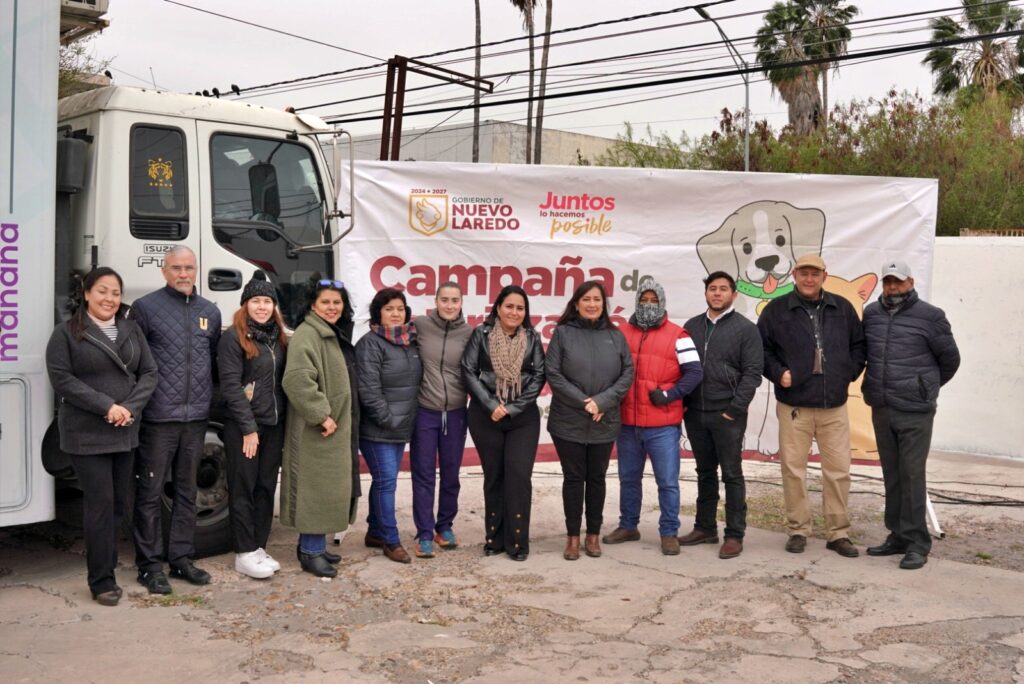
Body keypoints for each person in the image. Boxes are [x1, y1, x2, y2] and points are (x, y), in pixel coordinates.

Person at [45, 268, 158, 606]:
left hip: (124, 429)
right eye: (102, 291)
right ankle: (101, 581)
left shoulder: (131, 328)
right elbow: (62, 379)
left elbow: (149, 372)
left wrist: (129, 408)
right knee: (100, 506)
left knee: (118, 507)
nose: (109, 299)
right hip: (87, 434)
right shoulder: (66, 333)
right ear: (87, 293)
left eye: (115, 293)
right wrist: (107, 406)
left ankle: (107, 565)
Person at [757, 254, 866, 557]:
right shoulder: (776, 310)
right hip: (795, 407)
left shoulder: (841, 309)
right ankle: (798, 529)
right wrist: (779, 373)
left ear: (824, 276)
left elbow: (859, 345)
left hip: (834, 406)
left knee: (838, 471)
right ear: (794, 275)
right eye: (803, 273)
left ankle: (838, 533)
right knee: (794, 470)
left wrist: (848, 372)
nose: (809, 279)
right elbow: (761, 348)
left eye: (814, 274)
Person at [130, 246, 220, 594]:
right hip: (157, 419)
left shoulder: (209, 313)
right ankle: (150, 566)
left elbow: (212, 362)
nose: (184, 274)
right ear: (164, 271)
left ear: (196, 270)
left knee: (187, 492)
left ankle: (181, 559)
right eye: (176, 268)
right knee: (150, 493)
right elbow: (134, 362)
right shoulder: (146, 309)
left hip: (195, 419)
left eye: (189, 268)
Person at [862, 260, 960, 570]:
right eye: (888, 282)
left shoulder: (931, 317)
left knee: (912, 475)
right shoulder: (872, 314)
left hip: (915, 411)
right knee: (891, 474)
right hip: (882, 406)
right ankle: (898, 535)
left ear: (911, 282)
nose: (892, 288)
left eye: (898, 282)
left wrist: (924, 388)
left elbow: (950, 361)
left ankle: (918, 542)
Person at [603, 277, 703, 555]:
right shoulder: (621, 332)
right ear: (637, 302)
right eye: (644, 300)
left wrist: (670, 395)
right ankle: (628, 525)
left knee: (667, 482)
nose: (648, 305)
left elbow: (695, 372)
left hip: (662, 426)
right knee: (628, 478)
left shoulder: (679, 335)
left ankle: (669, 531)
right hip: (626, 424)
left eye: (653, 300)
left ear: (662, 302)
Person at [546, 281, 634, 561]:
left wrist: (604, 402)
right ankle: (573, 537)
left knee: (596, 479)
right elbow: (554, 374)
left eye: (597, 299)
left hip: (604, 422)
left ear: (603, 304)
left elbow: (627, 374)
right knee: (573, 479)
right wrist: (587, 403)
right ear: (576, 303)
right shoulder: (562, 334)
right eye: (586, 299)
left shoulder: (615, 336)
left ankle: (593, 535)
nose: (592, 304)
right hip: (568, 422)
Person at [681, 272, 763, 559]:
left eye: (723, 289)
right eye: (712, 289)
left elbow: (753, 373)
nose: (717, 293)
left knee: (731, 474)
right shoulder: (691, 326)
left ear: (733, 294)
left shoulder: (746, 329)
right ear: (706, 293)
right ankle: (704, 527)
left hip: (727, 414)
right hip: (695, 413)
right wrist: (682, 403)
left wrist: (734, 409)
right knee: (704, 472)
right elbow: (679, 368)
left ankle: (734, 534)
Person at [461, 285, 545, 561]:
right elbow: (469, 371)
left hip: (523, 419)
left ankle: (518, 542)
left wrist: (510, 408)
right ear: (498, 308)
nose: (514, 312)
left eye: (520, 308)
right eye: (509, 306)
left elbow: (538, 377)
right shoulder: (480, 335)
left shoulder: (532, 338)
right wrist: (490, 405)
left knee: (519, 478)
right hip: (485, 417)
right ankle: (494, 539)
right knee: (494, 477)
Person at [281, 279, 355, 578]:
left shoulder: (325, 332)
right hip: (318, 428)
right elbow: (297, 380)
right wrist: (321, 414)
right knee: (316, 488)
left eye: (337, 302)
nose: (333, 307)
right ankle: (311, 553)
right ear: (313, 305)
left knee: (326, 489)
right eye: (326, 302)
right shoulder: (307, 335)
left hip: (329, 428)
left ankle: (313, 546)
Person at [218, 272, 288, 579]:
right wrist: (248, 429)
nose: (262, 307)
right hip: (246, 427)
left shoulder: (279, 337)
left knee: (265, 486)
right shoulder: (233, 337)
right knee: (243, 487)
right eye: (256, 301)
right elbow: (231, 386)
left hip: (273, 425)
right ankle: (243, 551)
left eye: (268, 301)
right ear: (245, 304)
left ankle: (258, 547)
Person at [356, 287, 423, 564]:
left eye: (399, 308)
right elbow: (368, 391)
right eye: (388, 309)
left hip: (399, 428)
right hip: (379, 429)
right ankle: (391, 541)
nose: (395, 314)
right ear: (378, 313)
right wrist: (390, 421)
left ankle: (374, 532)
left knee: (384, 481)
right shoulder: (370, 344)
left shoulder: (410, 341)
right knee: (387, 483)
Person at [409, 283, 472, 558]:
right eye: (444, 300)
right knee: (423, 475)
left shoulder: (469, 333)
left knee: (451, 474)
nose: (449, 305)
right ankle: (423, 533)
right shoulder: (420, 325)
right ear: (435, 301)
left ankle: (443, 527)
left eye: (454, 300)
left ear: (461, 303)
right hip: (425, 411)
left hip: (457, 412)